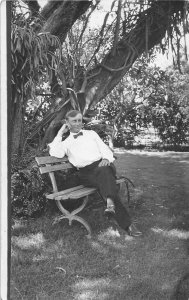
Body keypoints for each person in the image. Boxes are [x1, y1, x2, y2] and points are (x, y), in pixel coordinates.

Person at [48, 110, 142, 237]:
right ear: (67, 123)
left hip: (102, 166)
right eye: (74, 121)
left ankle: (114, 209)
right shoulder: (65, 143)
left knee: (104, 171)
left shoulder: (91, 134)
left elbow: (105, 150)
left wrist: (106, 159)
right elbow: (54, 153)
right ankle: (113, 207)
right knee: (106, 180)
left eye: (79, 120)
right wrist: (60, 133)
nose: (77, 123)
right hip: (86, 174)